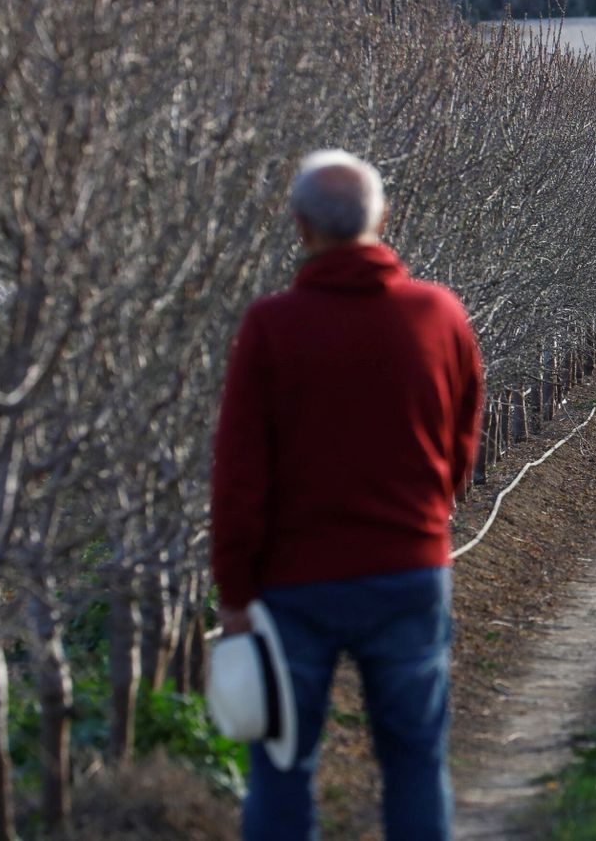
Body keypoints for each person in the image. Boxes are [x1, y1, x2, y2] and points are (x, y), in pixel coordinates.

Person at [211, 149, 485, 840]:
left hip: (294, 586)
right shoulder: (439, 314)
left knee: (282, 766)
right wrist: (428, 515)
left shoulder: (271, 326)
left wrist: (234, 592)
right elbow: (463, 439)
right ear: (384, 220)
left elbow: (240, 472)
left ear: (301, 228)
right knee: (416, 761)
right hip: (407, 570)